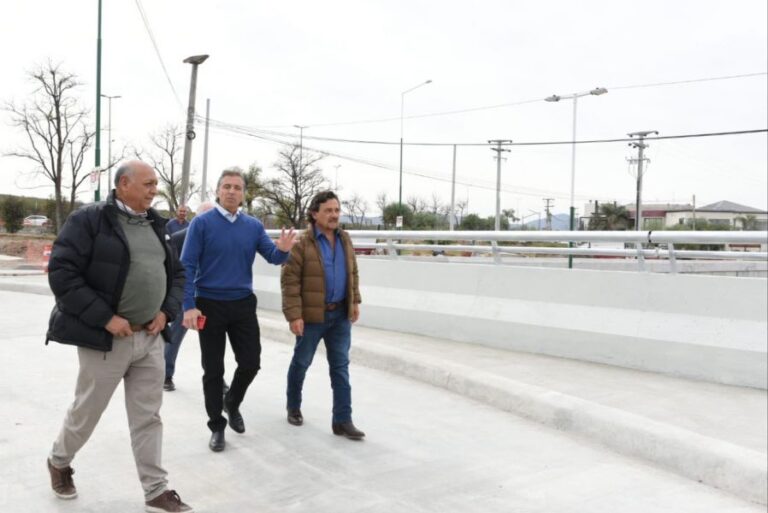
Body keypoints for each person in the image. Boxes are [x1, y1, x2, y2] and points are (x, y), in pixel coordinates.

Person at [45, 160, 193, 513]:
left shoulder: (158, 225)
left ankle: (156, 490)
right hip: (107, 340)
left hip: (151, 338)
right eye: (148, 183)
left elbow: (178, 275)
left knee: (148, 417)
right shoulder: (89, 220)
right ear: (123, 184)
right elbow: (62, 273)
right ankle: (59, 461)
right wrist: (106, 318)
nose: (154, 190)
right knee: (87, 412)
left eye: (155, 184)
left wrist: (166, 312)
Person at [181, 168, 297, 452]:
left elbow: (272, 257)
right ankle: (216, 426)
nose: (232, 191)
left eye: (237, 187)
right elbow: (186, 266)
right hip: (209, 303)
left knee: (250, 362)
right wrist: (188, 306)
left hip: (243, 303)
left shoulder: (253, 226)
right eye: (227, 186)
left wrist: (283, 250)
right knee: (213, 369)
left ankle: (231, 401)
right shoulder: (202, 223)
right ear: (218, 191)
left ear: (243, 194)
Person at [281, 191, 365, 440]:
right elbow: (290, 282)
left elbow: (354, 271)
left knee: (340, 367)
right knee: (301, 362)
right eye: (328, 210)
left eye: (337, 210)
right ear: (314, 213)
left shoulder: (345, 239)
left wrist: (355, 300)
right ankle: (293, 405)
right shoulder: (301, 243)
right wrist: (294, 316)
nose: (334, 215)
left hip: (340, 315)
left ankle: (343, 420)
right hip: (311, 317)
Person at [163, 201, 214, 392]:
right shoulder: (177, 238)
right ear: (198, 218)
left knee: (212, 342)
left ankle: (215, 376)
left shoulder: (218, 238)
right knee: (175, 336)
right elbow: (168, 268)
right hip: (185, 297)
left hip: (209, 296)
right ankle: (166, 375)